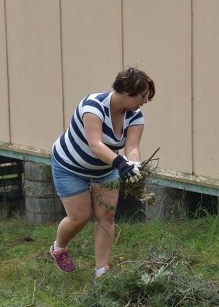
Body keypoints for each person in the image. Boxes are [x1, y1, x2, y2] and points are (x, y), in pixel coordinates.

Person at [49, 67, 155, 279]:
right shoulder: (93, 106)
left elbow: (132, 146)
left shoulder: (135, 116)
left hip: (105, 170)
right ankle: (59, 248)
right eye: (143, 96)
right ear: (128, 92)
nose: (145, 100)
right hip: (70, 166)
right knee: (79, 217)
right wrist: (119, 163)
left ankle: (101, 271)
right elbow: (96, 144)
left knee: (106, 216)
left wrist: (133, 164)